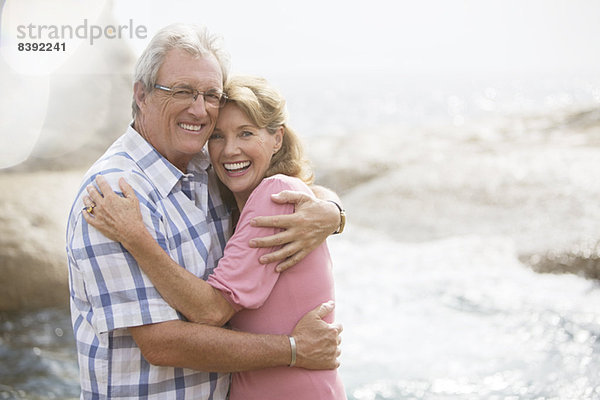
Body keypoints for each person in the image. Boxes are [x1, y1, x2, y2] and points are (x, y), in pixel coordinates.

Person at [65, 24, 344, 399]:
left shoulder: (207, 169)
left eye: (210, 95)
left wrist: (331, 212)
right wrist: (293, 348)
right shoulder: (116, 195)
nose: (199, 109)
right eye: (182, 91)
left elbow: (284, 189)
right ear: (142, 94)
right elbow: (163, 343)